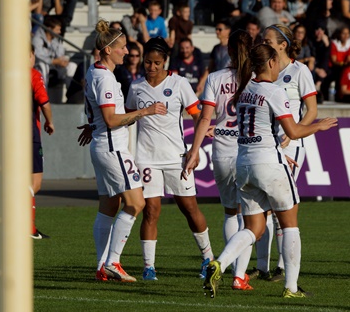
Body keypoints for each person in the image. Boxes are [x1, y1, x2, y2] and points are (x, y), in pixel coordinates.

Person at [202, 43, 338, 299]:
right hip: (270, 163)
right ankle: (291, 288)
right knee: (290, 225)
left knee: (254, 227)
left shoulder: (243, 91)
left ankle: (218, 263)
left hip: (244, 163)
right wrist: (319, 126)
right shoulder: (274, 91)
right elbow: (294, 132)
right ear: (271, 63)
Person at [78, 21, 167, 282]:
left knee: (109, 205)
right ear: (107, 50)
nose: (126, 52)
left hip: (102, 144)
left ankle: (100, 265)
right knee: (136, 203)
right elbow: (111, 119)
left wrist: (93, 123)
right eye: (122, 47)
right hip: (112, 146)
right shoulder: (105, 78)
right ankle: (113, 261)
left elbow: (103, 116)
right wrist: (145, 111)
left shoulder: (96, 73)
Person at [125, 37, 214, 281]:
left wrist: (195, 150)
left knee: (189, 208)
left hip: (176, 157)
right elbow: (128, 116)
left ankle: (208, 258)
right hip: (146, 159)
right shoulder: (136, 87)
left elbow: (197, 116)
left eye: (156, 63)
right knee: (151, 211)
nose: (151, 67)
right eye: (147, 62)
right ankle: (149, 266)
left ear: (165, 61)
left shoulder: (179, 83)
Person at [183, 30, 253, 291]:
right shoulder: (256, 78)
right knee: (251, 217)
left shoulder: (215, 78)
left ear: (229, 50)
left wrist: (194, 149)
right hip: (249, 151)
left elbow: (205, 118)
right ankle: (239, 276)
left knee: (229, 212)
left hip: (221, 151)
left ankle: (233, 270)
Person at [250, 23, 319, 281]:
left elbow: (311, 109)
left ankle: (281, 266)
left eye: (268, 39)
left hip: (291, 144)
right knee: (261, 207)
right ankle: (262, 266)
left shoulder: (299, 71)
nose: (263, 42)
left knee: (281, 207)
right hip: (265, 145)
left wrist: (293, 133)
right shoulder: (262, 70)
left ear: (283, 45)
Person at [0, 46, 55, 239]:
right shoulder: (32, 75)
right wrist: (49, 121)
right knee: (34, 182)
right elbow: (44, 102)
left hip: (8, 135)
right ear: (30, 56)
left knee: (23, 182)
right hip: (28, 133)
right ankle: (24, 225)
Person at [32, 16, 69, 87]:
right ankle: (43, 95)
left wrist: (62, 61)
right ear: (49, 29)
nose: (59, 32)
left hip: (53, 66)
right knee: (43, 66)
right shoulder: (37, 39)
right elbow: (38, 56)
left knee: (72, 67)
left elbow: (60, 54)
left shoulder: (55, 39)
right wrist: (54, 61)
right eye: (57, 30)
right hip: (38, 65)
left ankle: (71, 94)